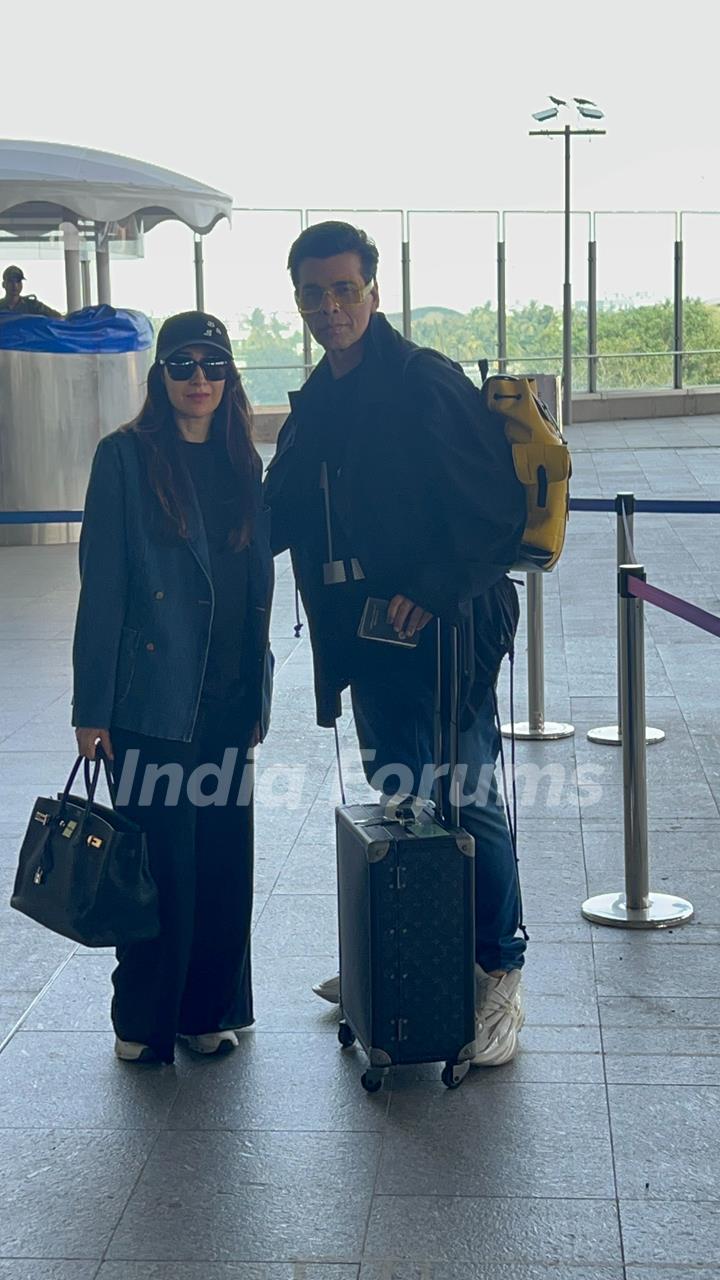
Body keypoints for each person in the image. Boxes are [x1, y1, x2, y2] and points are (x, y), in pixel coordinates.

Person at [263, 221, 528, 1067]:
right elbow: (281, 510)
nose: (331, 307)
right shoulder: (320, 398)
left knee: (465, 794)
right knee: (402, 791)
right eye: (315, 293)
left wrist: (427, 589)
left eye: (345, 289)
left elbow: (495, 513)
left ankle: (499, 973)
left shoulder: (423, 382)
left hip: (445, 628)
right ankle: (411, 947)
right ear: (299, 299)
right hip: (369, 636)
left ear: (374, 291)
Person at [72, 311, 274, 1065]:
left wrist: (258, 693)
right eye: (183, 365)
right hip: (152, 697)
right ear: (161, 376)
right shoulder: (125, 457)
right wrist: (91, 707)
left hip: (226, 697)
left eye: (213, 367)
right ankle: (144, 1019)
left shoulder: (240, 461)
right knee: (162, 864)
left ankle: (206, 1012)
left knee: (223, 860)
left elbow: (257, 584)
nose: (198, 380)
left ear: (229, 379)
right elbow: (103, 586)